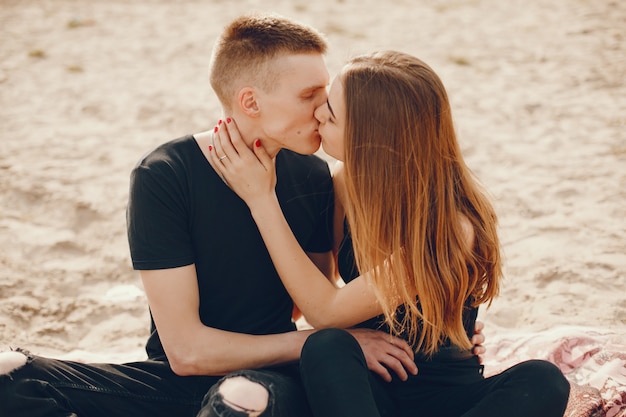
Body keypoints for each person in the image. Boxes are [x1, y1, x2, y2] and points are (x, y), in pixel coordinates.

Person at [0, 15, 429, 417]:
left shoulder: (315, 175)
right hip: (179, 377)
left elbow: (313, 302)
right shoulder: (165, 175)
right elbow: (186, 353)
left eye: (325, 95)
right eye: (308, 96)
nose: (321, 111)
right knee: (10, 373)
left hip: (270, 378)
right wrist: (321, 342)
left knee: (241, 399)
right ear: (250, 101)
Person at [208, 50, 571, 417]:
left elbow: (325, 311)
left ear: (370, 141)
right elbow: (324, 298)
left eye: (330, 114)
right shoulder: (343, 184)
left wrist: (261, 200)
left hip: (447, 395)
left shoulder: (453, 225)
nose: (318, 113)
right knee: (327, 347)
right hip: (367, 390)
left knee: (543, 379)